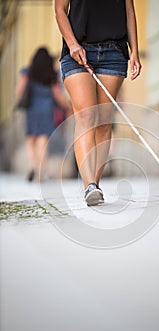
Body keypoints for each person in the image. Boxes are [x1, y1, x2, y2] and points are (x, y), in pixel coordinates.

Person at [55, 0, 141, 205]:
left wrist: (134, 50)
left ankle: (94, 184)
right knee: (86, 115)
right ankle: (90, 186)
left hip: (113, 52)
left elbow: (128, 10)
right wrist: (72, 43)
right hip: (77, 51)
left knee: (103, 121)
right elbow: (59, 9)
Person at [16, 47, 71, 182]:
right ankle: (41, 174)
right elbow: (58, 95)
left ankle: (32, 166)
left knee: (31, 140)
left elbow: (19, 91)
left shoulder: (28, 73)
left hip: (31, 111)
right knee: (42, 142)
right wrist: (68, 106)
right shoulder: (52, 75)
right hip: (47, 112)